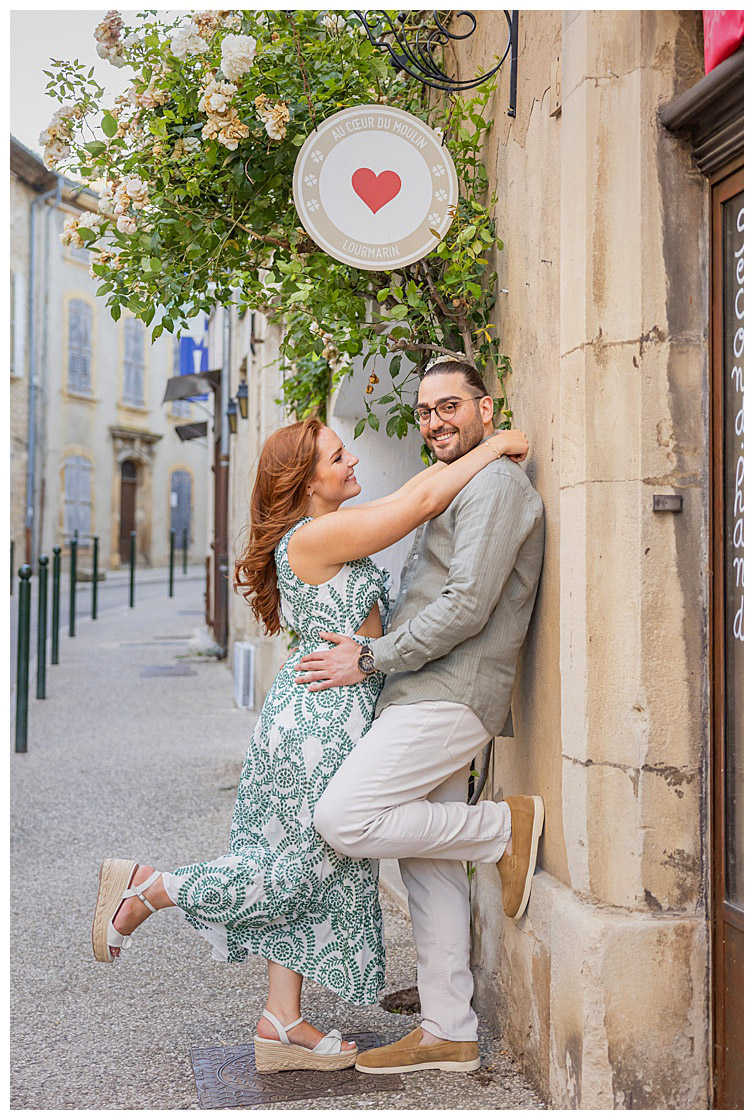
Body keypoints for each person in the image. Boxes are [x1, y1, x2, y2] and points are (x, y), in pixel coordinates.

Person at [90, 410, 528, 1073]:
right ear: (303, 482)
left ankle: (281, 1018)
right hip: (324, 723)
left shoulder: (314, 536)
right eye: (335, 459)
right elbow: (421, 498)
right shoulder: (317, 537)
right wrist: (495, 443)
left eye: (347, 452)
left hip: (312, 715)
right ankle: (152, 887)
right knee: (294, 869)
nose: (351, 463)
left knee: (305, 867)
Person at [294, 360, 545, 1076]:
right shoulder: (468, 478)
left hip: (452, 692)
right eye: (427, 410)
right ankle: (449, 1031)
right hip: (424, 689)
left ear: (486, 409)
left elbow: (467, 606)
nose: (436, 421)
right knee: (429, 867)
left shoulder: (495, 486)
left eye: (451, 406)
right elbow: (416, 507)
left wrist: (370, 658)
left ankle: (502, 827)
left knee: (343, 818)